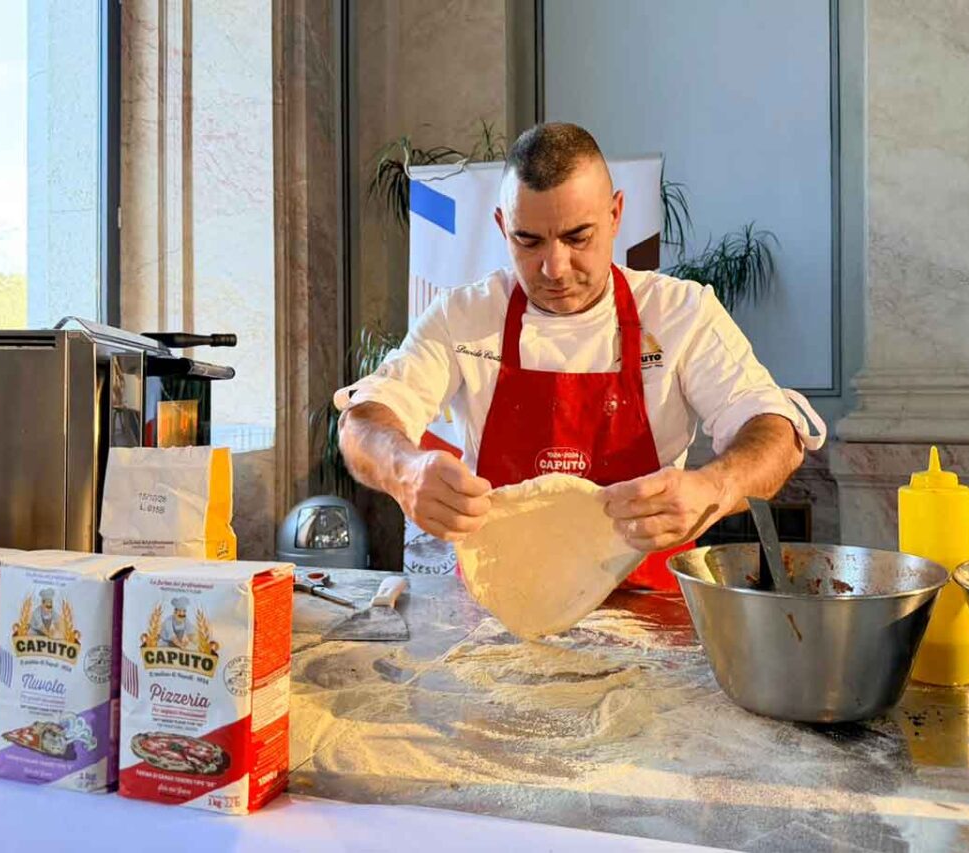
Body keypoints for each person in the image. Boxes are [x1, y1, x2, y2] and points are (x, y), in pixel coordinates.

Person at [336, 122, 825, 590]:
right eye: (528, 241)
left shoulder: (680, 313)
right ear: (502, 225)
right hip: (501, 607)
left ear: (615, 215)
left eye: (577, 237)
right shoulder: (463, 316)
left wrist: (714, 488)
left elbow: (772, 428)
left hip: (647, 608)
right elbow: (365, 420)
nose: (555, 268)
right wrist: (405, 469)